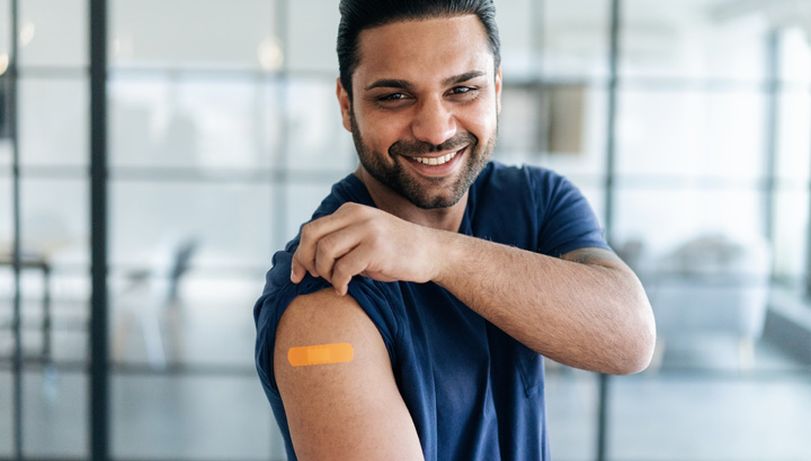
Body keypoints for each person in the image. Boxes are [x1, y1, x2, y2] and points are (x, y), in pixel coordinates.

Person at [253, 1, 656, 459]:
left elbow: (631, 340)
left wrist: (435, 254)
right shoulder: (325, 293)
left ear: (497, 90)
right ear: (347, 106)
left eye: (463, 90)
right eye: (394, 97)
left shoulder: (535, 199)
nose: (434, 130)